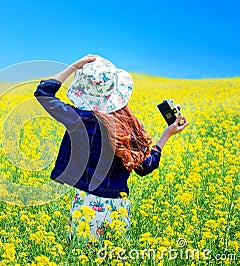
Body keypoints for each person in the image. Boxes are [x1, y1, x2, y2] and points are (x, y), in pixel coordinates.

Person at [33, 54, 188, 243]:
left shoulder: (78, 120)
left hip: (86, 205)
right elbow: (146, 166)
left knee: (82, 258)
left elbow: (43, 93)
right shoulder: (127, 127)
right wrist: (166, 135)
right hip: (118, 208)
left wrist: (74, 66)